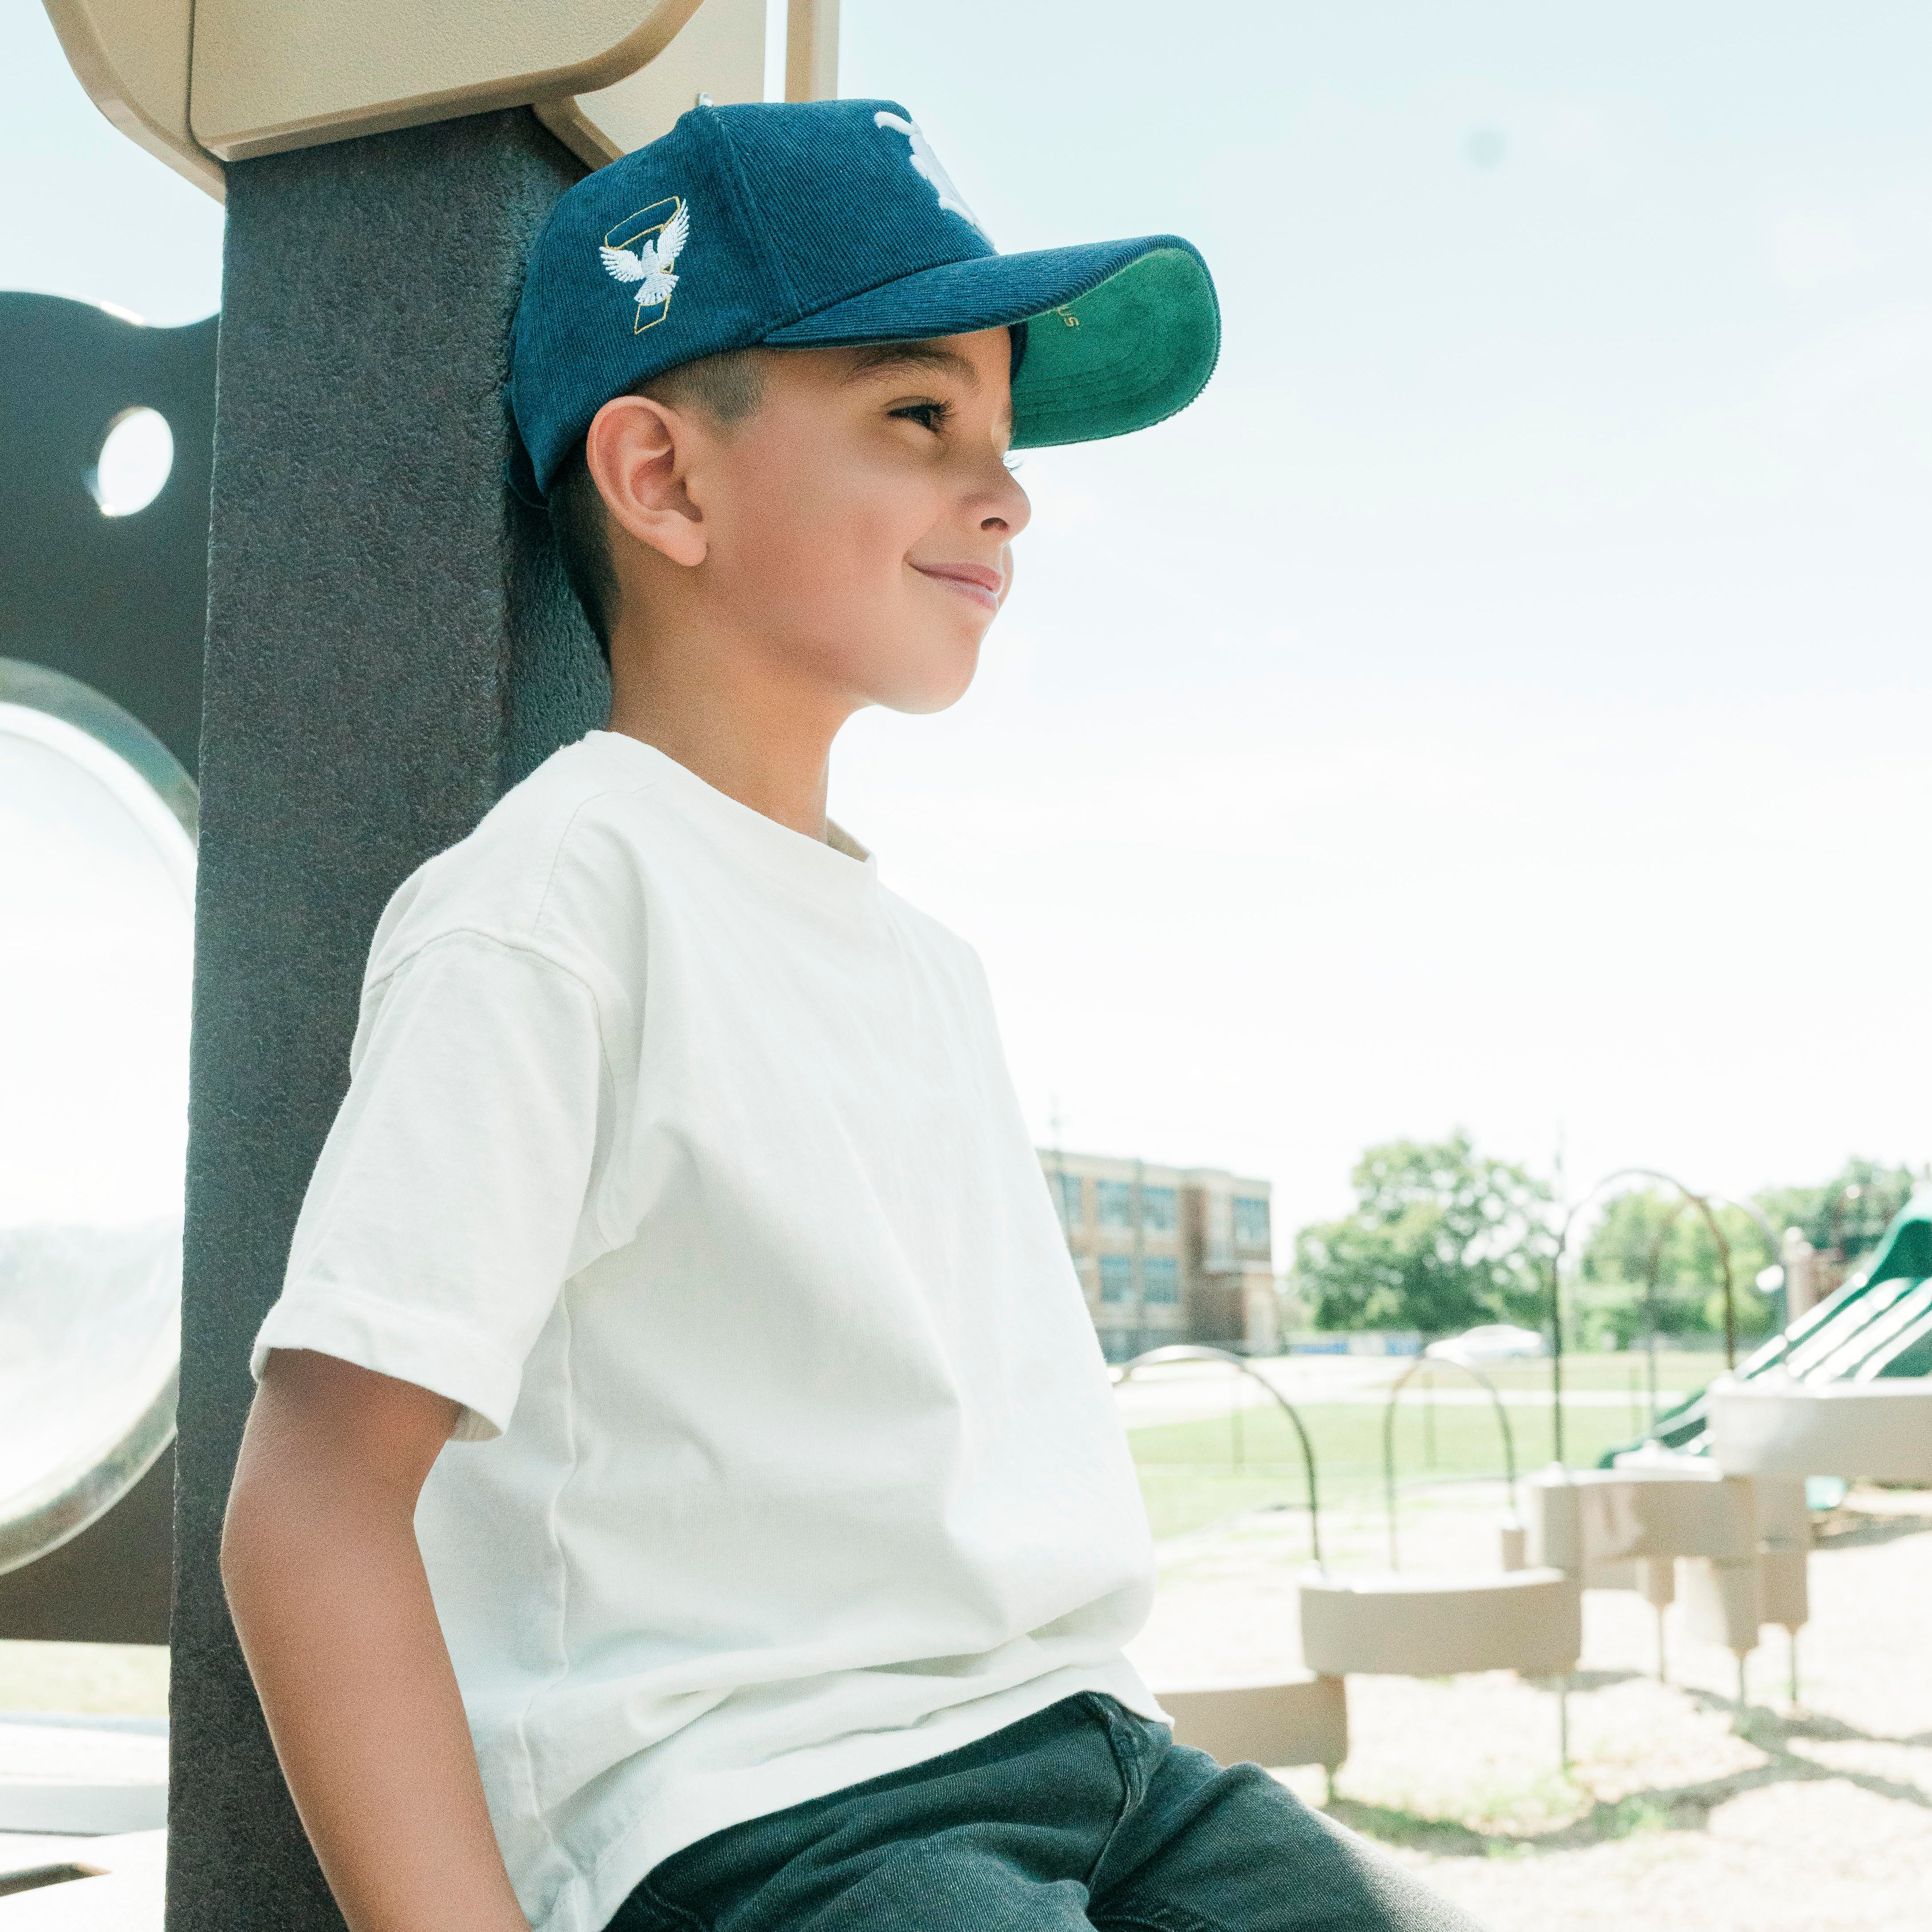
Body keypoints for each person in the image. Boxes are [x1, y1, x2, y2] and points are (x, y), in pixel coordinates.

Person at [221, 98, 1482, 1932]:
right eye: (917, 416)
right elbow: (314, 1505)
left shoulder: (925, 964)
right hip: (770, 1810)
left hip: (1099, 1756)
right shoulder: (557, 905)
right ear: (665, 482)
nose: (1007, 491)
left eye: (1001, 435)